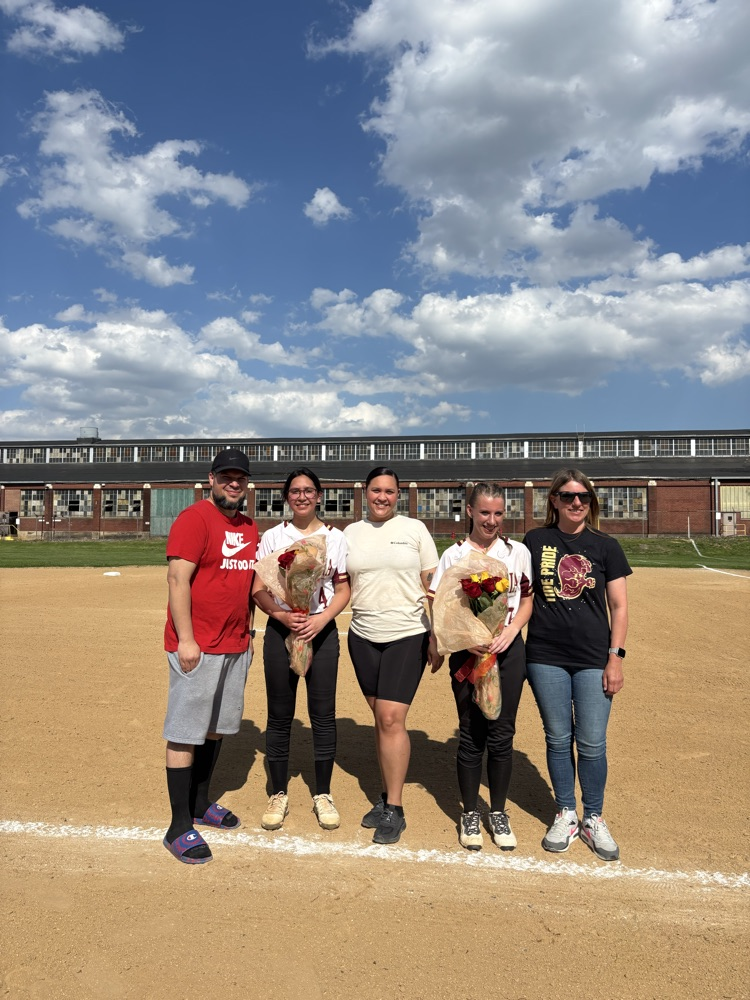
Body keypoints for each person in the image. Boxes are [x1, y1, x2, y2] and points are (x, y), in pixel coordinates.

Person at [523, 469, 631, 862]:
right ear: (554, 500)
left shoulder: (606, 545)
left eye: (583, 496)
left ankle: (594, 817)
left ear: (591, 501)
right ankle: (566, 812)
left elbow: (619, 607)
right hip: (545, 655)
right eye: (568, 496)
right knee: (556, 737)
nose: (576, 502)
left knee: (591, 741)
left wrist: (614, 659)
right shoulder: (535, 540)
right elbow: (523, 594)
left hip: (592, 657)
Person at [161, 448, 258, 865]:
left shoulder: (250, 525)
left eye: (240, 478)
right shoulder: (194, 519)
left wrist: (249, 632)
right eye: (226, 477)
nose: (233, 483)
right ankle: (179, 825)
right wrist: (186, 640)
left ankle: (201, 803)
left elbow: (246, 584)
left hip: (236, 643)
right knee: (185, 731)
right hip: (197, 645)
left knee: (216, 728)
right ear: (212, 479)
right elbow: (177, 578)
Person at [428, 483, 533, 852]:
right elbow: (440, 609)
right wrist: (462, 639)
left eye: (499, 513)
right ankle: (470, 812)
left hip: (507, 652)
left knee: (503, 733)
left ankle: (498, 811)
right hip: (468, 654)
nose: (492, 520)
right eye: (485, 512)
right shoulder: (453, 555)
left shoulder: (517, 552)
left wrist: (512, 630)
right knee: (471, 734)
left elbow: (527, 599)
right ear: (470, 511)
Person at [343, 467, 439, 845]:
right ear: (364, 492)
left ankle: (395, 809)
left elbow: (433, 584)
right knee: (381, 720)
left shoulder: (414, 530)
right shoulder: (350, 533)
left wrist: (436, 633)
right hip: (363, 635)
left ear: (399, 495)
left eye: (389, 491)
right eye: (375, 490)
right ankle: (384, 799)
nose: (382, 497)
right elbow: (338, 583)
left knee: (390, 717)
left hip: (407, 634)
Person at [251, 468, 350, 832]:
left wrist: (320, 620)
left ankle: (322, 793)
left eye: (309, 491)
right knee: (279, 714)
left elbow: (342, 589)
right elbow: (258, 588)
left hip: (320, 632)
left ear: (320, 496)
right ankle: (278, 792)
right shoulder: (274, 536)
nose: (302, 496)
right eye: (295, 491)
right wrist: (280, 614)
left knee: (323, 714)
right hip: (282, 631)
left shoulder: (335, 538)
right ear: (287, 497)